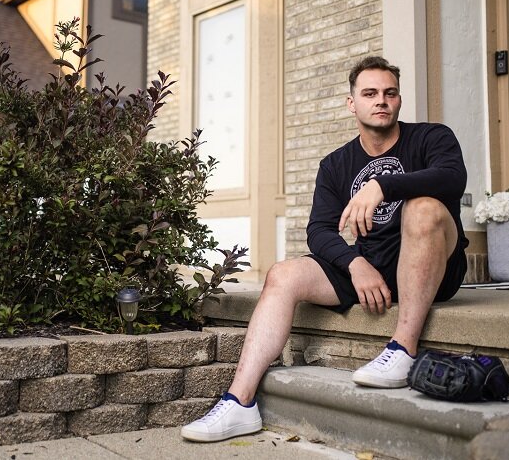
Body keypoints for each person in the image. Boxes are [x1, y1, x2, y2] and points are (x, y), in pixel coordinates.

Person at [180, 56, 469, 443]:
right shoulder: (336, 164)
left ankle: (402, 348)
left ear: (399, 100)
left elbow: (452, 178)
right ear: (352, 103)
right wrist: (354, 263)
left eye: (389, 93)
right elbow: (319, 230)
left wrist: (384, 186)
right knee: (283, 274)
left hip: (435, 265)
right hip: (374, 268)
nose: (380, 100)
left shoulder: (432, 138)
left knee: (424, 206)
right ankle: (240, 402)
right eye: (369, 93)